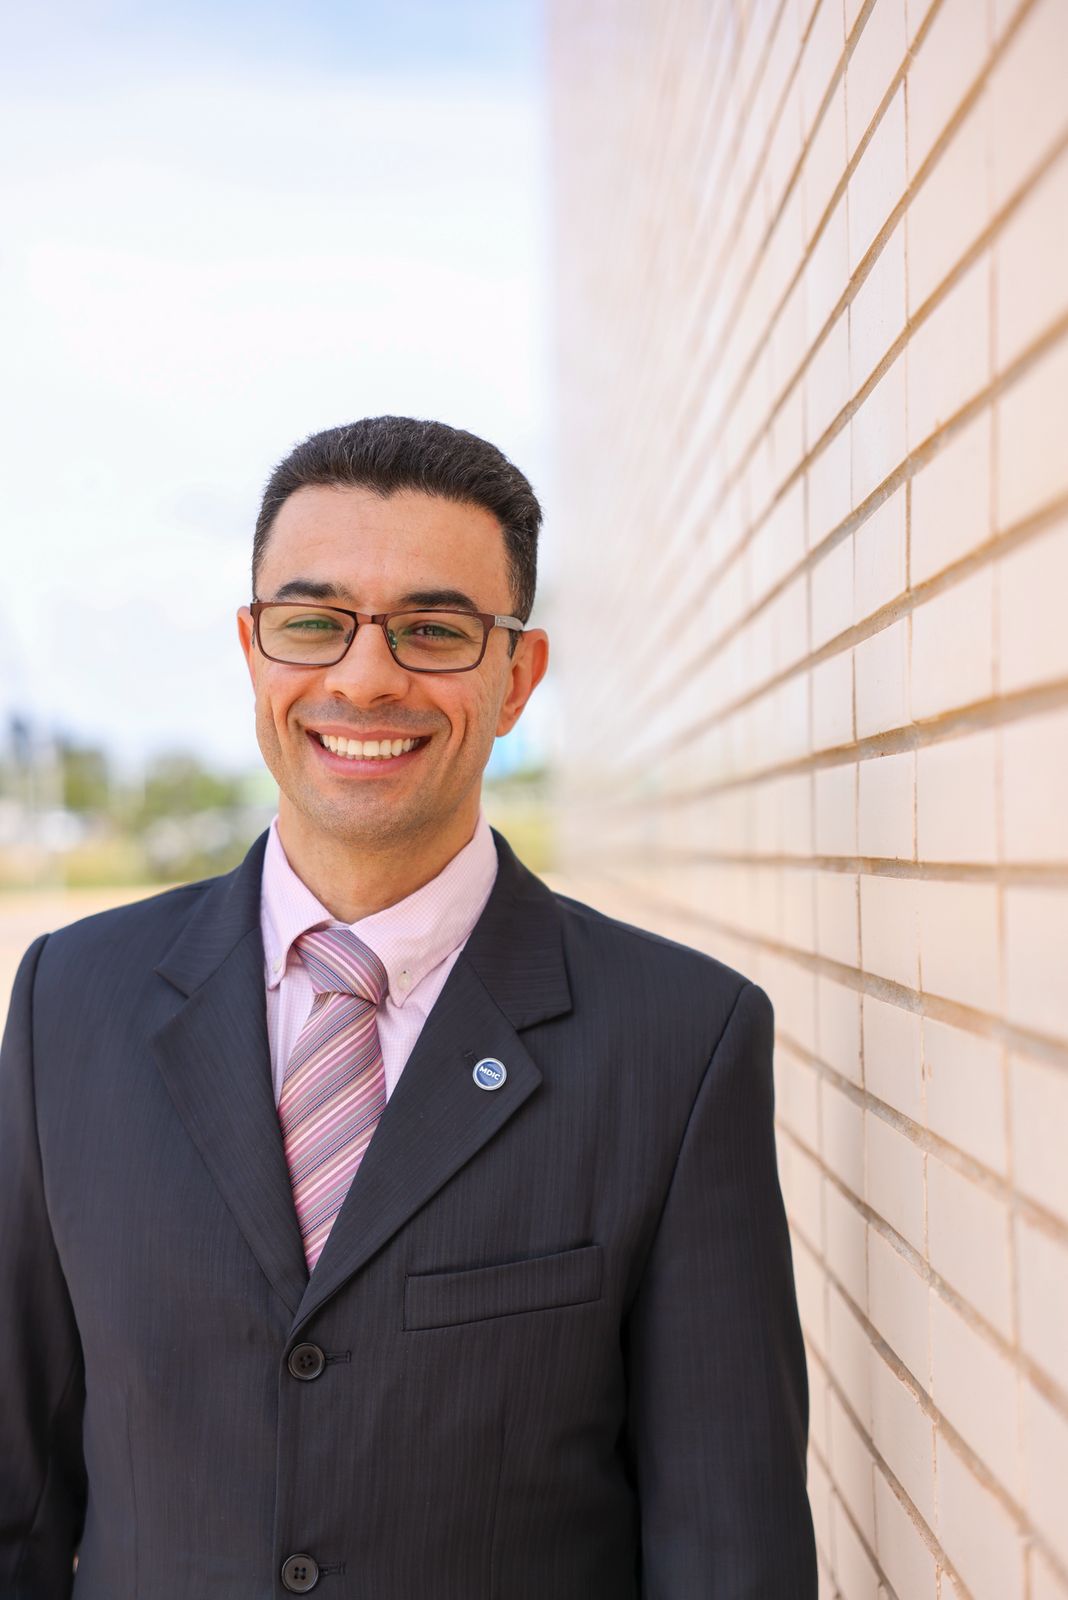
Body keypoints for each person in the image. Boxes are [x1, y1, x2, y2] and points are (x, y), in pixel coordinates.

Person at [0, 416, 816, 1598]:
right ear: (254, 648)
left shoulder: (681, 1042)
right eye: (313, 620)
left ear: (516, 677)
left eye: (432, 630)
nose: (364, 674)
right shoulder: (70, 1002)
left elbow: (727, 1555)